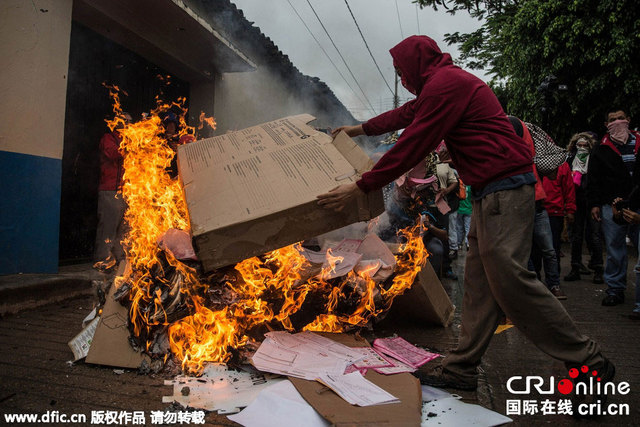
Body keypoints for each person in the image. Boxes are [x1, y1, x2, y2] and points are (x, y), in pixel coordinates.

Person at [317, 35, 613, 391]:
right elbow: (404, 115)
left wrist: (361, 186)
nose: (401, 77)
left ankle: (589, 360)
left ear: (416, 62)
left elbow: (415, 142)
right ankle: (462, 368)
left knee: (511, 282)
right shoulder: (439, 86)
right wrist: (359, 128)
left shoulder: (446, 85)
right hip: (490, 192)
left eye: (400, 70)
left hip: (506, 190)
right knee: (480, 286)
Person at [587, 109, 640, 306]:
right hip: (611, 205)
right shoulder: (601, 149)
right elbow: (593, 179)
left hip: (638, 204)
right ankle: (615, 289)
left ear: (629, 120)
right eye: (612, 119)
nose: (617, 122)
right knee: (615, 249)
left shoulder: (639, 143)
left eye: (621, 118)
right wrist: (594, 204)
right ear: (606, 125)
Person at [564, 132, 604, 283]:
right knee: (576, 235)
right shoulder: (570, 160)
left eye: (585, 145)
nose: (582, 148)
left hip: (592, 202)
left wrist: (596, 203)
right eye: (579, 145)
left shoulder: (595, 160)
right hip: (576, 202)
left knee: (594, 235)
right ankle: (575, 267)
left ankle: (598, 268)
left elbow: (598, 182)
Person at [94, 112, 132, 264]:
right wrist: (130, 147)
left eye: (130, 122)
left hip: (126, 191)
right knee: (108, 228)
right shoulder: (108, 138)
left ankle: (120, 260)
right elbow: (113, 154)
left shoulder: (129, 140)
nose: (128, 125)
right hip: (110, 191)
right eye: (126, 121)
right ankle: (103, 260)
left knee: (123, 230)